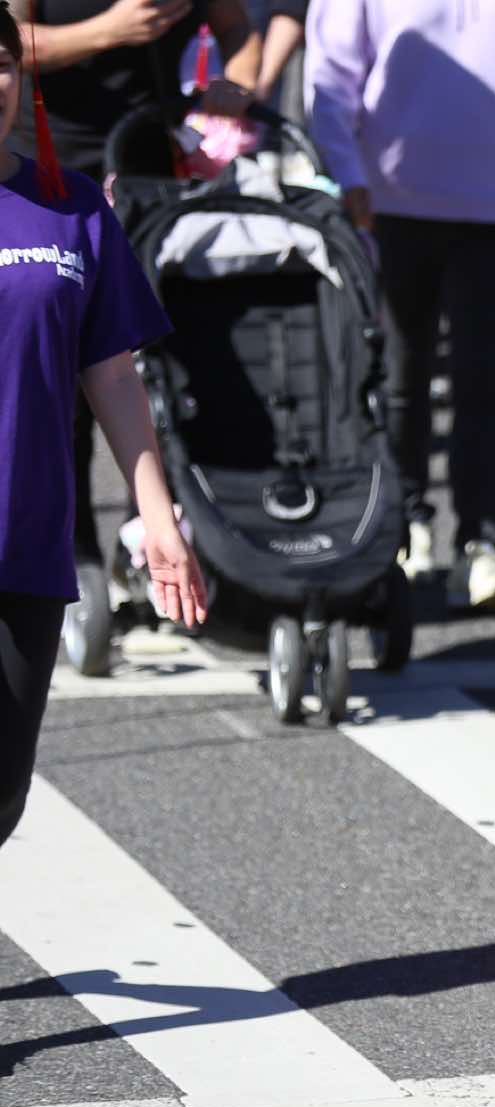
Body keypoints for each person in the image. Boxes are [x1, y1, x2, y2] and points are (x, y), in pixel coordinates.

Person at [0, 1, 205, 844]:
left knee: (3, 794)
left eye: (1, 63)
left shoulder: (71, 205)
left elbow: (113, 375)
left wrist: (159, 520)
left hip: (27, 543)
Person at [304, 0, 495, 611]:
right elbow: (330, 71)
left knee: (488, 385)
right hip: (391, 197)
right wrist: (345, 170)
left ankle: (480, 541)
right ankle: (403, 525)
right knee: (397, 379)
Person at [9, 0, 255, 608]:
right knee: (54, 383)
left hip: (148, 174)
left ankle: (128, 549)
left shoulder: (80, 207)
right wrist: (109, 30)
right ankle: (82, 554)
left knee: (143, 366)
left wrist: (234, 89)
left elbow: (114, 374)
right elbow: (17, 34)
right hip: (53, 151)